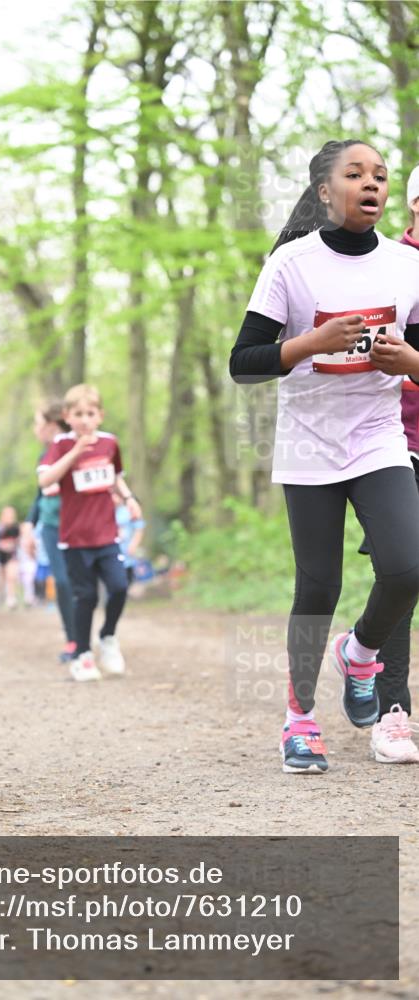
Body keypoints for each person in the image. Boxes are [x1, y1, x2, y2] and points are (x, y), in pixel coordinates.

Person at [229, 140, 419, 773]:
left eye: (380, 176)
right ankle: (300, 720)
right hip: (309, 443)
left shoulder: (404, 265)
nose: (371, 184)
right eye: (355, 174)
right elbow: (243, 362)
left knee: (407, 565)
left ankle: (359, 653)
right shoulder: (291, 264)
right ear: (323, 191)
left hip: (376, 436)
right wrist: (308, 343)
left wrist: (410, 361)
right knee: (319, 585)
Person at [38, 383, 143, 682]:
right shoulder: (60, 445)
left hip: (106, 534)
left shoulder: (110, 444)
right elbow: (45, 481)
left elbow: (116, 478)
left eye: (90, 413)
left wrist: (130, 499)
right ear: (67, 416)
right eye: (78, 413)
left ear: (100, 416)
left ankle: (108, 637)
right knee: (84, 597)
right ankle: (82, 655)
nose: (85, 419)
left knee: (119, 586)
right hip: (74, 538)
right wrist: (74, 453)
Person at [25, 403, 76, 661]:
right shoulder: (44, 456)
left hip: (77, 525)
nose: (36, 429)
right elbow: (40, 495)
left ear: (52, 425)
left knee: (79, 583)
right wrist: (28, 526)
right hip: (51, 526)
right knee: (63, 582)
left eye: (38, 423)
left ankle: (85, 637)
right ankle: (73, 641)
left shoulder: (76, 449)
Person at [0, 506, 21, 609]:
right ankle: (0, 596)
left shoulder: (16, 528)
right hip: (0, 557)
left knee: (11, 576)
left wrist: (13, 544)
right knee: (1, 579)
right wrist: (1, 545)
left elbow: (19, 541)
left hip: (12, 556)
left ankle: (11, 598)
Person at [113, 491, 146, 586]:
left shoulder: (128, 511)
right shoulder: (105, 512)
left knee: (127, 581)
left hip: (127, 553)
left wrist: (134, 544)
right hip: (112, 553)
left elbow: (139, 528)